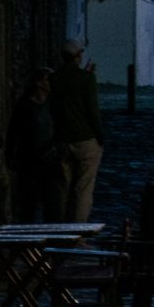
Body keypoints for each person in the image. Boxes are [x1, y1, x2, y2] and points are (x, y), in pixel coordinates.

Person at [49, 39, 104, 223]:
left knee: (62, 188)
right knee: (83, 188)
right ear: (78, 55)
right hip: (85, 139)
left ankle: (59, 230)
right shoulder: (86, 79)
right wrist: (100, 136)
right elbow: (92, 112)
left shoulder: (54, 78)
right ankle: (77, 232)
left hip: (62, 139)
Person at [4, 67, 62, 222]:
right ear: (39, 83)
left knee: (53, 205)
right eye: (48, 80)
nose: (51, 84)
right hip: (29, 161)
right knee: (28, 204)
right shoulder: (25, 105)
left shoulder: (52, 103)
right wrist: (10, 156)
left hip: (49, 160)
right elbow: (13, 132)